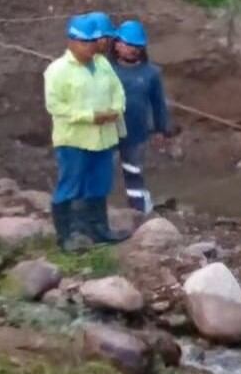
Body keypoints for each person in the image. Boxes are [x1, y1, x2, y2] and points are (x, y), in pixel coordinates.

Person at [43, 13, 126, 250]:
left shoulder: (102, 64)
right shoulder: (57, 70)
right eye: (86, 42)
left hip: (103, 138)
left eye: (94, 41)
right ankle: (66, 236)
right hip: (75, 140)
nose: (92, 46)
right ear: (71, 42)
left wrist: (116, 110)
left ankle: (99, 229)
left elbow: (117, 91)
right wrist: (90, 116)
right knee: (71, 184)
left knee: (99, 184)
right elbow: (55, 106)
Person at [111, 20, 173, 215]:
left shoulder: (151, 73)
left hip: (135, 132)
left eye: (137, 47)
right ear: (117, 44)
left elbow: (158, 103)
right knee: (101, 171)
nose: (132, 50)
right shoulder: (105, 69)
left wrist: (161, 129)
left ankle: (139, 212)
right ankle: (98, 210)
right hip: (106, 130)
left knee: (133, 171)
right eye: (128, 45)